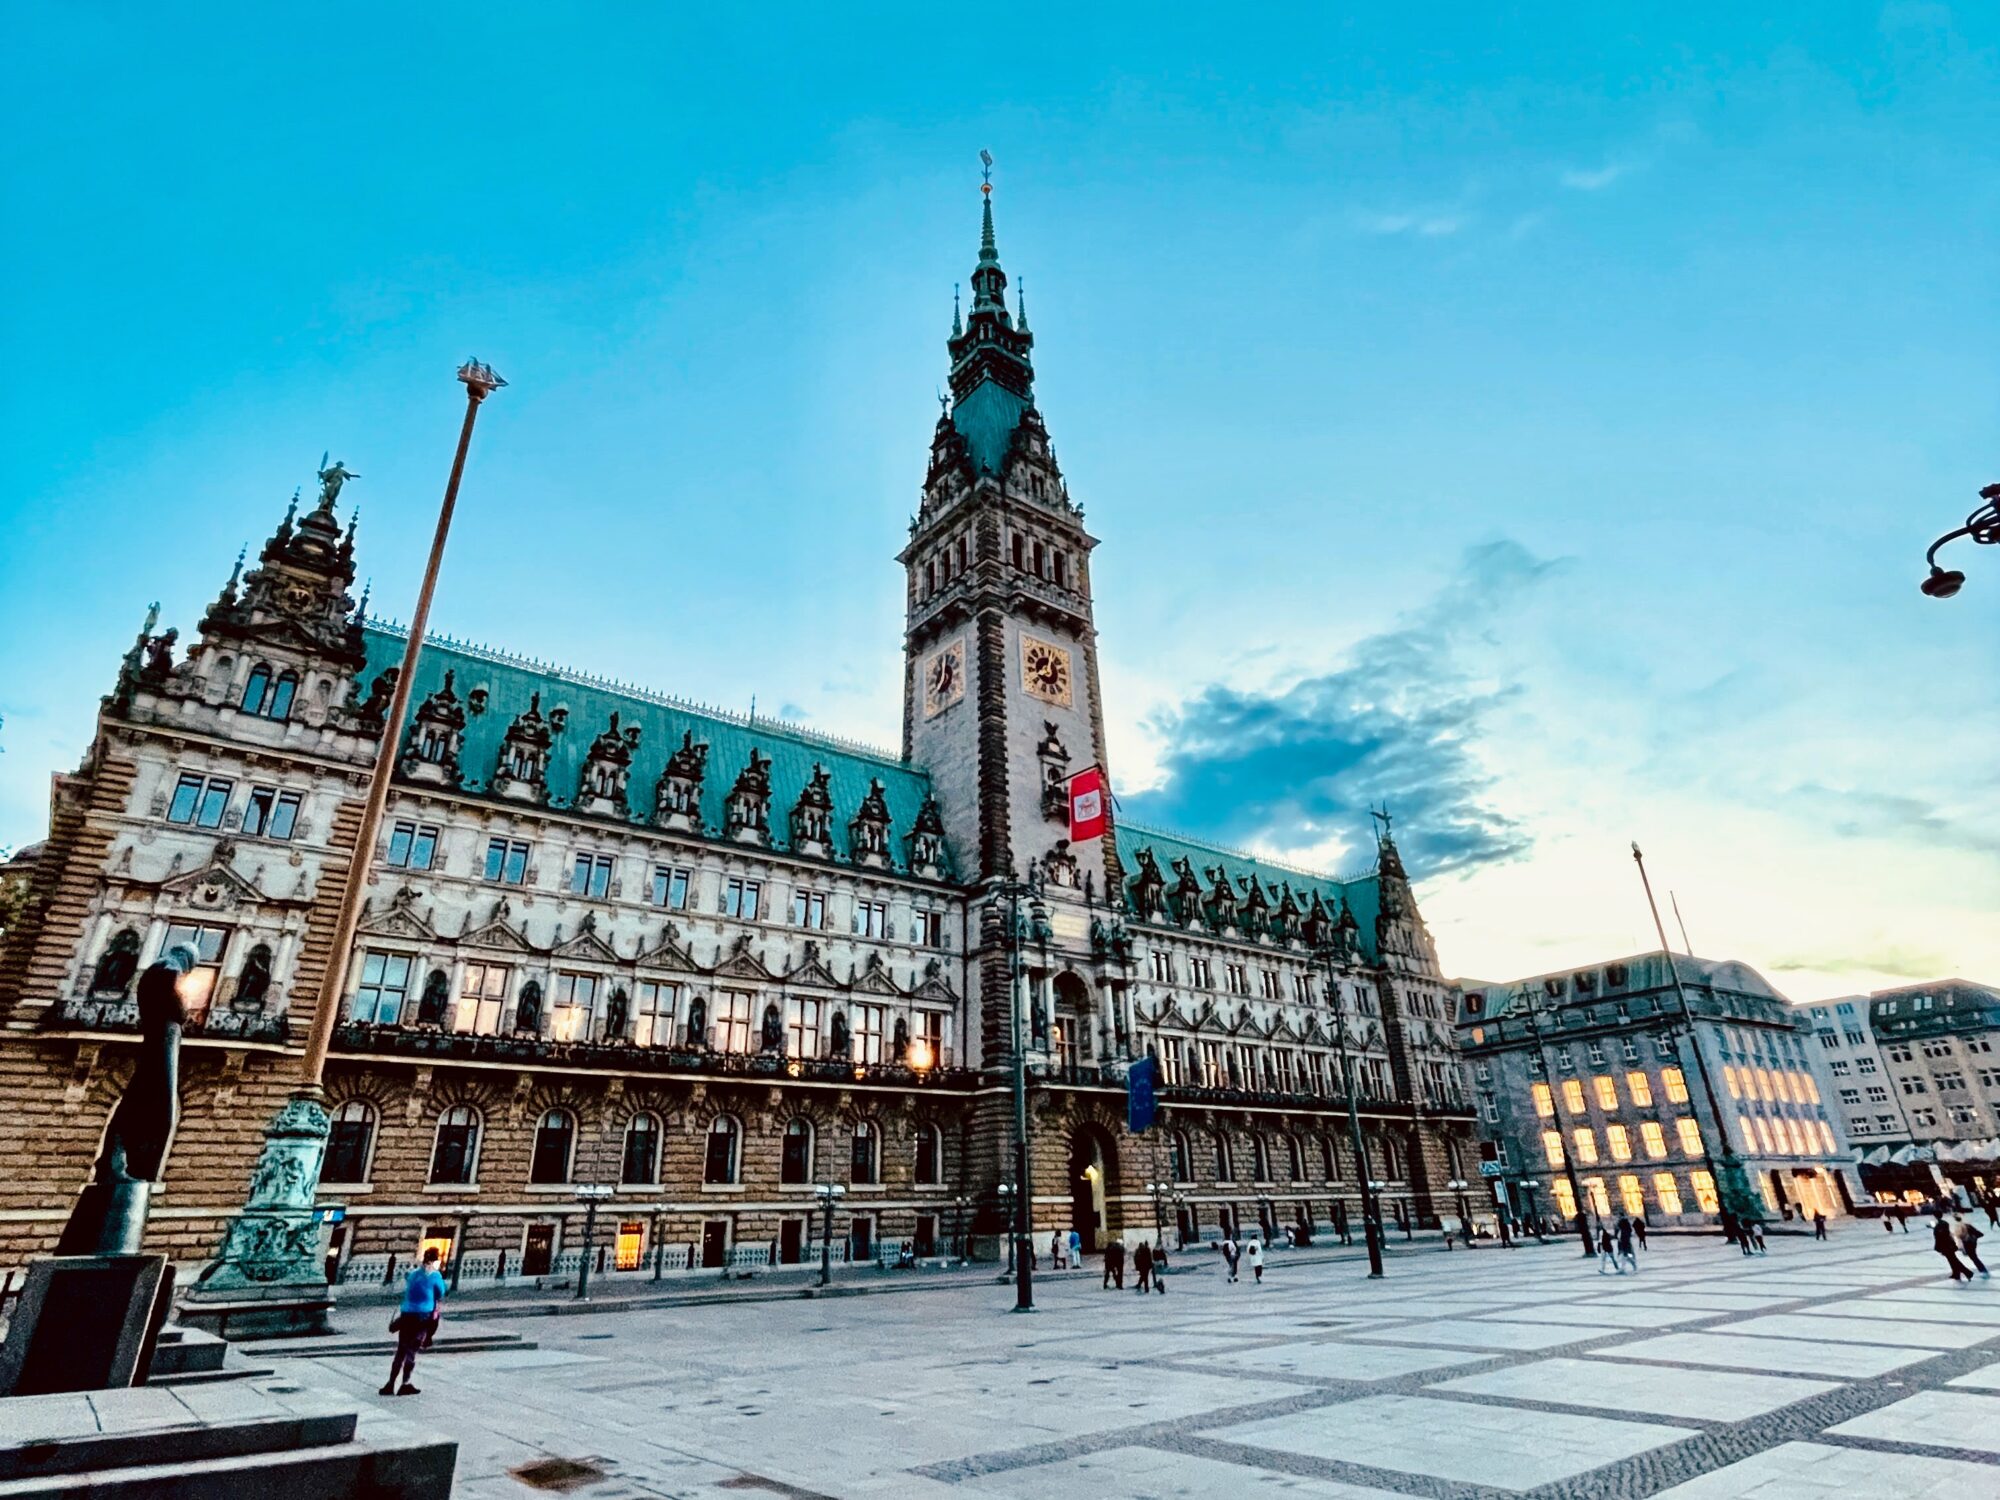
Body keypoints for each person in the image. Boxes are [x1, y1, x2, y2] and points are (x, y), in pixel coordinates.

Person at [382, 1247, 446, 1396]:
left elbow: (408, 1283)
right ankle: (405, 1383)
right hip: (422, 1316)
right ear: (436, 1260)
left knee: (401, 1350)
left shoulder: (412, 1274)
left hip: (406, 1314)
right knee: (411, 1351)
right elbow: (441, 1292)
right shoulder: (435, 1276)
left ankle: (390, 1384)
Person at [1933, 1215, 1974, 1283]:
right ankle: (1956, 1273)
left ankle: (1968, 1273)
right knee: (1952, 1260)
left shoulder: (1942, 1224)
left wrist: (1936, 1231)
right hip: (1947, 1244)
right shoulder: (1942, 1223)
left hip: (1946, 1245)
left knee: (1953, 1260)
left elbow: (1942, 1235)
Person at [1954, 1212, 1990, 1278]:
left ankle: (1983, 1270)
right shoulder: (1967, 1225)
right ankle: (1983, 1270)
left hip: (1968, 1244)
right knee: (1974, 1257)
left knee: (1974, 1258)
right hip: (1972, 1243)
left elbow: (1959, 1235)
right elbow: (1979, 1233)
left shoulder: (1959, 1226)